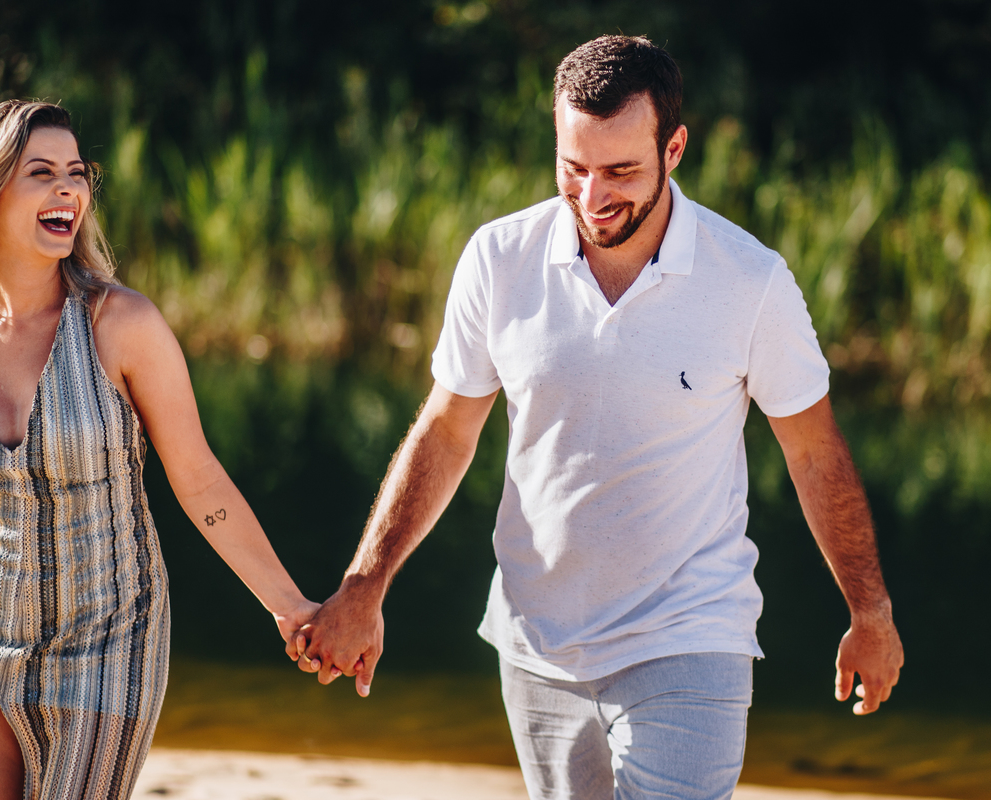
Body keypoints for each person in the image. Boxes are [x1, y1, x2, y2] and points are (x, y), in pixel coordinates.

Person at [289, 35, 904, 800]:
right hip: (536, 643)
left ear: (674, 148)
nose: (592, 197)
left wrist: (869, 612)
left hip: (690, 632)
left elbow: (815, 453)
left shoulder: (749, 282)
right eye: (573, 169)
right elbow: (446, 430)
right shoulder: (499, 259)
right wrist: (364, 585)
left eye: (621, 171)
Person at [0, 100, 319, 800]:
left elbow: (199, 479)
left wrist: (289, 605)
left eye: (76, 174)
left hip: (108, 637)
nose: (68, 190)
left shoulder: (124, 324)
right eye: (41, 173)